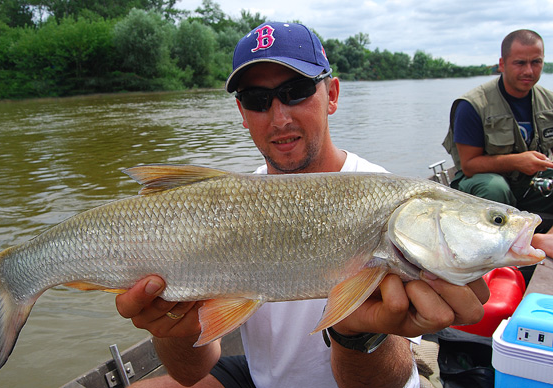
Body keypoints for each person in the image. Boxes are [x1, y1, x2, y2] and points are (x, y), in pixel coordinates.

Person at [116, 22, 490, 388]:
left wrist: (356, 334)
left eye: (296, 91)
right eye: (257, 100)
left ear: (332, 95)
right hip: (264, 376)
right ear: (242, 114)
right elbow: (191, 371)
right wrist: (170, 329)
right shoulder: (224, 204)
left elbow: (384, 382)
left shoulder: (391, 203)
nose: (280, 117)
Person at [442, 29, 553, 214]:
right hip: (480, 185)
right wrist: (516, 161)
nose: (528, 71)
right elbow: (469, 166)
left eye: (536, 62)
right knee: (494, 187)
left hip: (528, 182)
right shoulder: (472, 105)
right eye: (520, 63)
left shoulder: (549, 102)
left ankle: (544, 237)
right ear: (502, 64)